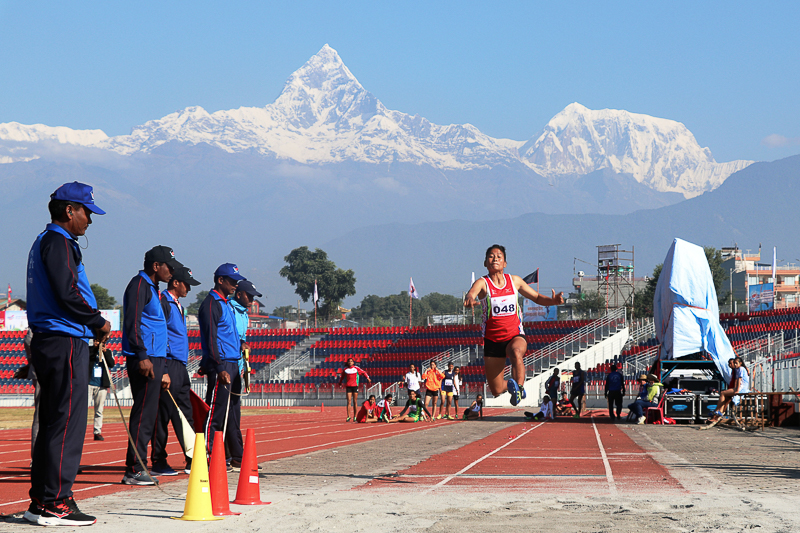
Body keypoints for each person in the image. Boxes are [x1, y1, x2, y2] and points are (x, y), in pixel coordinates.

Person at [24, 182, 111, 525]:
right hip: (63, 339)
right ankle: (56, 501)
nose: (90, 219)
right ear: (69, 211)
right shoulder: (58, 242)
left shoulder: (50, 242)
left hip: (52, 339)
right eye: (87, 211)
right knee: (67, 423)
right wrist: (96, 321)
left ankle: (40, 501)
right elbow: (67, 291)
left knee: (52, 423)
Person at [464, 245, 564, 406]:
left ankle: (519, 387)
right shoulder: (483, 283)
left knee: (516, 352)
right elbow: (471, 293)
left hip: (514, 335)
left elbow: (537, 297)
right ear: (485, 263)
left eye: (499, 256)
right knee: (496, 390)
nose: (495, 258)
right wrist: (469, 299)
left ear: (505, 263)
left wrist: (553, 301)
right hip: (492, 341)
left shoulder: (514, 281)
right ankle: (514, 387)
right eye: (491, 256)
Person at [121, 246, 179, 485]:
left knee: (149, 414)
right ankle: (134, 468)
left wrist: (163, 367)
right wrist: (142, 355)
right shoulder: (139, 285)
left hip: (155, 359)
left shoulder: (153, 289)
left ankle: (139, 465)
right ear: (156, 266)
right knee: (143, 414)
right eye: (169, 266)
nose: (172, 272)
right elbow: (132, 322)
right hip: (143, 359)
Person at [150, 266, 200, 477]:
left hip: (180, 365)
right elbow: (161, 334)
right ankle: (159, 460)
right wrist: (163, 370)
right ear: (176, 283)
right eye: (187, 283)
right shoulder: (163, 302)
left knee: (185, 413)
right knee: (162, 415)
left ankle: (192, 458)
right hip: (168, 364)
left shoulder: (178, 305)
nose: (189, 288)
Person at [200, 263, 246, 470]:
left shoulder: (226, 303)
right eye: (232, 281)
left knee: (231, 414)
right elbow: (211, 339)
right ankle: (207, 455)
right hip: (223, 365)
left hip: (233, 362)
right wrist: (219, 368)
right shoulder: (211, 304)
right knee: (216, 413)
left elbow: (228, 334)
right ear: (220, 280)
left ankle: (230, 455)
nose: (235, 285)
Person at [226, 279, 262, 467]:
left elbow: (241, 337)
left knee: (235, 413)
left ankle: (235, 456)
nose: (252, 300)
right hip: (227, 365)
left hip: (238, 367)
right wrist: (240, 343)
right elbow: (226, 334)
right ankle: (230, 456)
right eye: (250, 296)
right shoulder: (229, 309)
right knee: (225, 413)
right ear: (239, 294)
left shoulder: (244, 314)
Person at [709, 358, 751, 423]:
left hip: (740, 388)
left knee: (723, 395)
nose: (732, 365)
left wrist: (736, 390)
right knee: (724, 400)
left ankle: (717, 412)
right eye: (732, 363)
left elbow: (739, 380)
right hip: (735, 388)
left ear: (740, 363)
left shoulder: (740, 369)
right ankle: (717, 415)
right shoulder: (736, 370)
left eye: (734, 363)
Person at [88, 345, 115, 441]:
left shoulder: (108, 352)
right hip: (89, 383)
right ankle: (79, 430)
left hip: (101, 385)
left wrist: (105, 352)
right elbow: (87, 359)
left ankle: (97, 431)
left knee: (99, 410)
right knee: (83, 409)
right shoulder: (89, 350)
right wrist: (94, 349)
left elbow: (111, 364)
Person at [338, 357, 371, 422]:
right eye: (349, 361)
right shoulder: (345, 369)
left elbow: (364, 372)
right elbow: (342, 377)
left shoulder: (356, 368)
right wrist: (340, 383)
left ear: (353, 362)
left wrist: (368, 378)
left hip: (355, 386)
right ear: (347, 362)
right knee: (349, 401)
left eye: (351, 361)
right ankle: (348, 416)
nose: (350, 362)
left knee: (355, 401)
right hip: (348, 386)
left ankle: (355, 416)